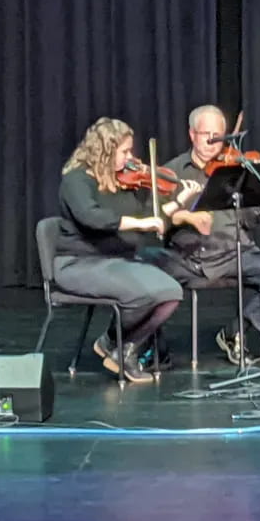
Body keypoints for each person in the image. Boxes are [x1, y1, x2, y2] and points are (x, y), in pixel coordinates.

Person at [54, 117, 194, 383]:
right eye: (124, 151)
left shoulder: (120, 182)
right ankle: (114, 343)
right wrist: (141, 222)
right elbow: (92, 217)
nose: (131, 158)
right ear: (105, 151)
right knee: (145, 293)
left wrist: (177, 201)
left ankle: (121, 347)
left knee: (171, 293)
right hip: (78, 264)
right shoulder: (76, 181)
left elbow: (148, 218)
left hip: (116, 261)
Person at [162, 105, 260, 365]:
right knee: (148, 287)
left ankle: (235, 334)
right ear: (192, 134)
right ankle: (152, 349)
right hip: (192, 258)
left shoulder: (236, 167)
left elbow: (247, 221)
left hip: (237, 252)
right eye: (206, 135)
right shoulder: (173, 171)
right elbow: (163, 220)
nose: (213, 143)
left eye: (219, 136)